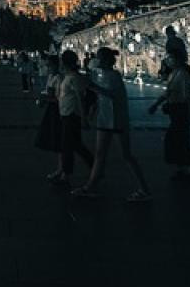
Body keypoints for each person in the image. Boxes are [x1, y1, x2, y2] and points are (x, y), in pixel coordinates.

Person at [72, 48, 151, 202]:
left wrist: (92, 87)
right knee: (100, 154)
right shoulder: (100, 74)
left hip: (117, 119)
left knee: (126, 155)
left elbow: (111, 95)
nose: (97, 60)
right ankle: (90, 186)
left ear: (106, 60)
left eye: (99, 58)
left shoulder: (114, 76)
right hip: (105, 119)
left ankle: (144, 189)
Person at [149, 48, 190, 181]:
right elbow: (168, 92)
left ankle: (188, 169)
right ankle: (183, 168)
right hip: (176, 110)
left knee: (180, 140)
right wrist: (156, 104)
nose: (168, 61)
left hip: (181, 110)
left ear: (178, 60)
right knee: (179, 140)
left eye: (170, 58)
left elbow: (188, 96)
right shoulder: (174, 73)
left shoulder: (182, 75)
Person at [54, 50, 93, 187]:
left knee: (68, 146)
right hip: (66, 114)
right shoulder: (68, 76)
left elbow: (80, 98)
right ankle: (95, 167)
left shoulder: (74, 78)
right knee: (76, 145)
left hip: (71, 115)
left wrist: (84, 118)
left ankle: (66, 175)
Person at [35, 55, 64, 180]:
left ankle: (62, 170)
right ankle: (61, 169)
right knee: (59, 141)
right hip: (52, 110)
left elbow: (58, 98)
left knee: (61, 141)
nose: (47, 67)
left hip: (57, 111)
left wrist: (44, 99)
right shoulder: (51, 77)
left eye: (49, 65)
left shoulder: (58, 78)